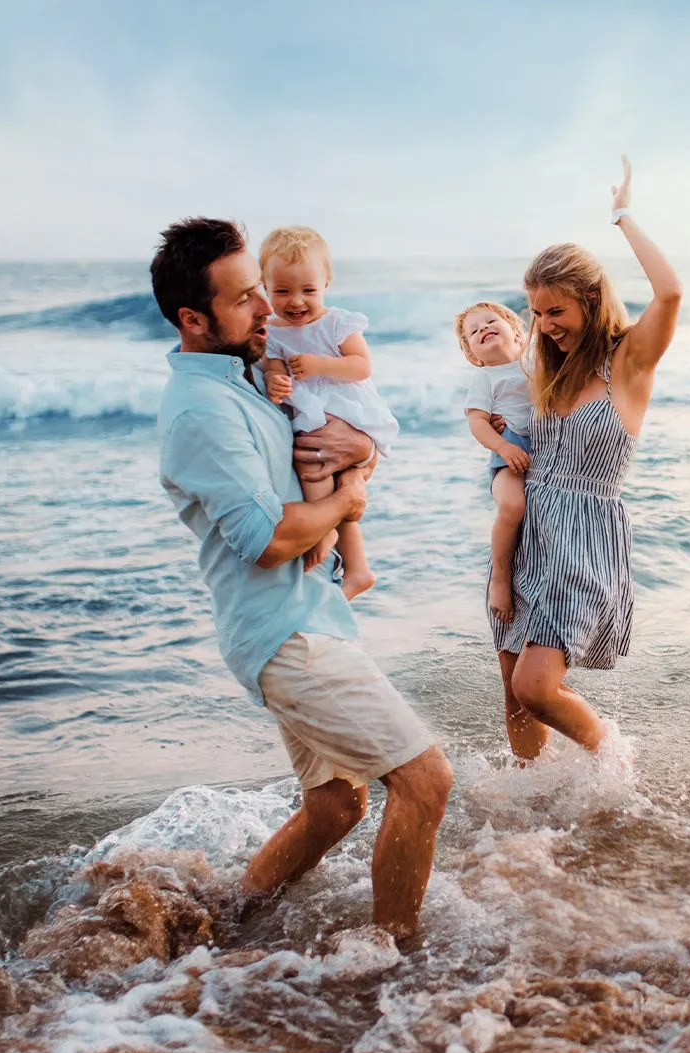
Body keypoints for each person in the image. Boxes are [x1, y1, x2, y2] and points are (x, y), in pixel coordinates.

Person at [152, 216, 452, 940]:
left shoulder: (247, 379)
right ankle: (392, 963)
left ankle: (225, 923)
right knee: (426, 780)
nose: (265, 310)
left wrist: (357, 456)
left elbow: (328, 439)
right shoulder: (203, 410)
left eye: (263, 290)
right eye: (243, 299)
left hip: (308, 619)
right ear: (193, 319)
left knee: (336, 806)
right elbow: (269, 541)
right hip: (285, 635)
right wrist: (349, 500)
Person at [492, 157, 682, 758]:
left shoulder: (627, 363)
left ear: (591, 300)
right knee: (514, 693)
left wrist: (623, 216)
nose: (544, 325)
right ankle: (533, 802)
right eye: (537, 312)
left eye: (557, 311)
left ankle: (613, 761)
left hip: (584, 539)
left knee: (537, 685)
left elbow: (672, 292)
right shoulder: (547, 368)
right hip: (529, 534)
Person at [256, 226, 400, 598]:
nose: (296, 301)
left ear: (327, 282)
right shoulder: (271, 331)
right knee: (319, 473)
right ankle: (355, 564)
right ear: (264, 285)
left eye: (309, 290)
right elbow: (272, 365)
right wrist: (276, 380)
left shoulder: (337, 322)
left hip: (345, 407)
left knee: (319, 467)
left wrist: (320, 365)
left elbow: (361, 366)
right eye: (282, 291)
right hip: (309, 409)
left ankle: (330, 536)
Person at [458, 301, 534, 625]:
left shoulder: (533, 361)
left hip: (549, 444)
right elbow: (477, 421)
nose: (484, 329)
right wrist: (503, 447)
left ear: (517, 332)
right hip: (510, 448)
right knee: (513, 506)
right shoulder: (485, 378)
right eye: (474, 332)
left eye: (491, 322)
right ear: (475, 356)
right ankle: (500, 579)